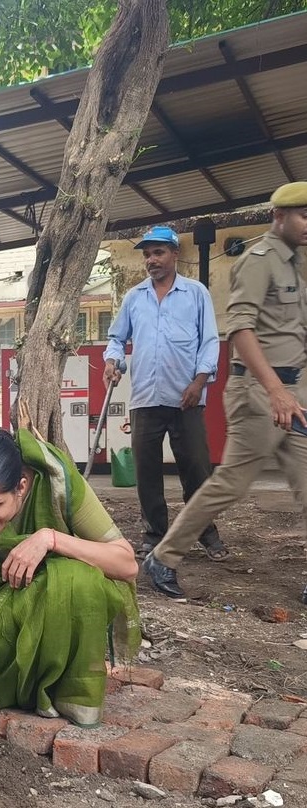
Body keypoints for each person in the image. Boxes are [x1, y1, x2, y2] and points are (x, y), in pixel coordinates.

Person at [0, 430, 140, 790]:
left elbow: (126, 564)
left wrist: (50, 539)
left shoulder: (56, 483)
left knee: (76, 579)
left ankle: (53, 684)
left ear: (22, 485)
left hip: (33, 598)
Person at [143, 183, 307, 603]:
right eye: (303, 215)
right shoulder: (258, 261)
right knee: (229, 484)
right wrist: (275, 391)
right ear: (279, 217)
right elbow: (240, 330)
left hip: (294, 391)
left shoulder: (298, 263)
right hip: (260, 394)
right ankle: (163, 556)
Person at [103, 225, 227, 562]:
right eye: (147, 254)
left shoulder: (196, 293)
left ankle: (206, 533)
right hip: (145, 397)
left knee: (196, 470)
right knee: (147, 473)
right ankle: (154, 535)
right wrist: (112, 360)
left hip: (186, 397)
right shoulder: (134, 298)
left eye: (158, 252)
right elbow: (116, 338)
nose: (151, 260)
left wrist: (199, 382)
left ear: (174, 254)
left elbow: (209, 341)